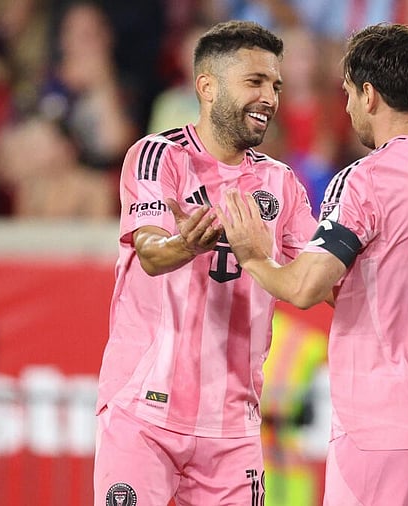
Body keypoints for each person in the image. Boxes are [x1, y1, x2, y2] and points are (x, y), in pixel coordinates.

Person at [219, 23, 408, 506]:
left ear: (369, 93)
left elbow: (305, 288)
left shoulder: (365, 180)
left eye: (348, 95)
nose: (348, 108)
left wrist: (254, 255)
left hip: (384, 430)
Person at [93, 20, 317, 505]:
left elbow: (309, 281)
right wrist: (186, 246)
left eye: (275, 85)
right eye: (255, 82)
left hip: (231, 430)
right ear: (207, 87)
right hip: (144, 418)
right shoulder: (158, 157)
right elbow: (149, 253)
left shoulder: (282, 184)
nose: (270, 97)